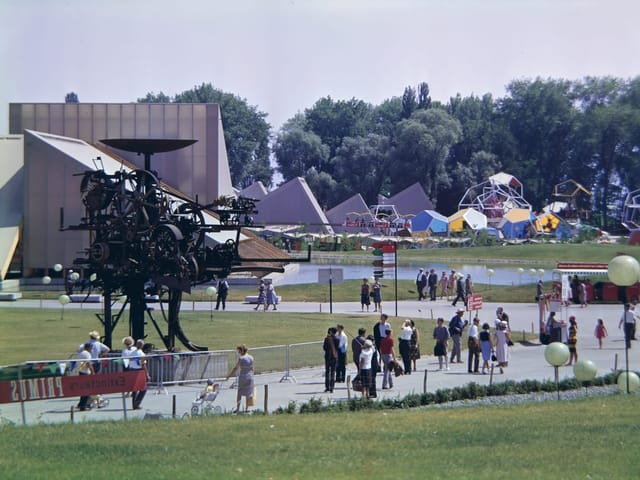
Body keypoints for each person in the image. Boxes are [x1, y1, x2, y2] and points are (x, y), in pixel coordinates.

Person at [226, 344, 255, 412]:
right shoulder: (251, 357)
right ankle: (247, 408)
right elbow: (252, 368)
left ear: (242, 351)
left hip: (243, 376)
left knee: (240, 393)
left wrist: (229, 376)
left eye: (239, 352)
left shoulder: (241, 358)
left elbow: (236, 368)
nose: (239, 353)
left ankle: (238, 408)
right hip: (250, 376)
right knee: (248, 393)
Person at [129, 339, 149, 410]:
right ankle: (137, 403)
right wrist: (147, 374)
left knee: (135, 389)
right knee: (143, 388)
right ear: (142, 345)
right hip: (139, 371)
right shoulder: (141, 354)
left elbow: (130, 362)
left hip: (132, 370)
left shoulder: (132, 353)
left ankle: (134, 404)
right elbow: (143, 364)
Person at [76, 342, 95, 411]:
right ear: (88, 348)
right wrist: (93, 372)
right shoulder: (87, 354)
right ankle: (83, 405)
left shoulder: (81, 353)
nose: (91, 349)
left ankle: (81, 403)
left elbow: (82, 365)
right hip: (85, 373)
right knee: (86, 390)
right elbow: (88, 364)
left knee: (83, 390)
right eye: (91, 348)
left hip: (81, 372)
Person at [322, 327, 338, 393]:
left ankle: (327, 387)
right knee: (333, 373)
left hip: (328, 357)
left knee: (327, 372)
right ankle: (332, 387)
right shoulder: (337, 339)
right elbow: (337, 348)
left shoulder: (327, 339)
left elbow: (324, 348)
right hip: (334, 357)